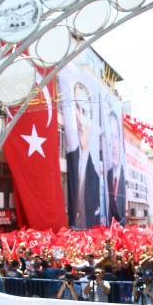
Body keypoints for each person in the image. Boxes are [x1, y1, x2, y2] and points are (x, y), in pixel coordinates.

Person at [66, 81, 101, 229]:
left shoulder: (96, 175)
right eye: (76, 109)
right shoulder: (70, 158)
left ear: (92, 122)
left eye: (84, 112)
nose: (79, 119)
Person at [106, 111, 126, 225]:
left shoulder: (123, 177)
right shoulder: (105, 176)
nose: (113, 144)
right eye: (110, 137)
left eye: (116, 137)